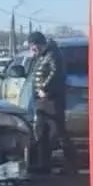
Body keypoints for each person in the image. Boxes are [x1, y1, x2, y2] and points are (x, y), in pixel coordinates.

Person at [28, 30, 79, 174]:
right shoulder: (41, 56)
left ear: (39, 43)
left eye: (33, 46)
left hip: (52, 100)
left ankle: (72, 164)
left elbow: (56, 74)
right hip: (41, 101)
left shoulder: (53, 54)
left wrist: (45, 88)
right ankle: (43, 164)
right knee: (41, 132)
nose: (32, 49)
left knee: (58, 132)